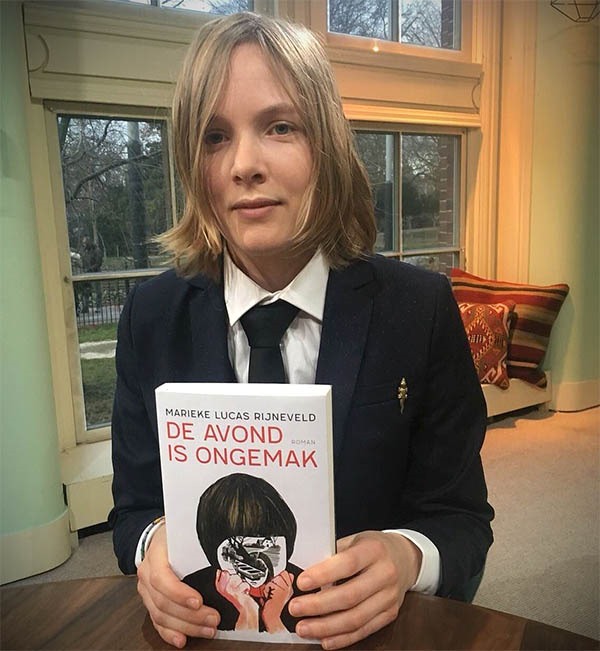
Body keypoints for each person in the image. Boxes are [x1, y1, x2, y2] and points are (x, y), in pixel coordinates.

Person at [109, 12, 493, 651]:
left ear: (328, 146)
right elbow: (132, 512)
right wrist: (152, 547)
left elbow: (462, 521)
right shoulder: (150, 318)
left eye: (279, 127)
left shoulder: (418, 309)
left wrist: (407, 558)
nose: (244, 164)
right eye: (214, 137)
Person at [183, 473, 304, 634]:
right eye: (239, 549)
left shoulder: (304, 587)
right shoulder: (196, 590)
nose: (255, 560)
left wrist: (273, 618)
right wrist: (247, 611)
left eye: (268, 546)